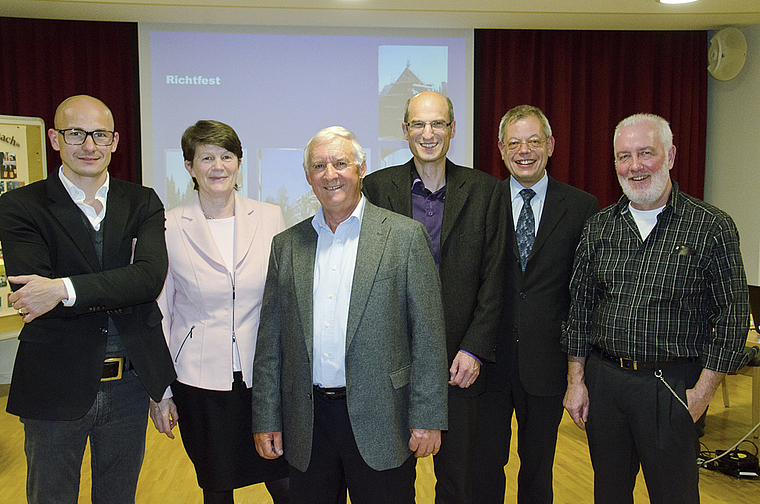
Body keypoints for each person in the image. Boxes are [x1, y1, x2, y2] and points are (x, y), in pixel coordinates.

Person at [251, 126, 448, 504]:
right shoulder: (287, 246)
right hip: (307, 425)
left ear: (361, 168)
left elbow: (428, 336)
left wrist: (427, 417)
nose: (330, 174)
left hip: (383, 422)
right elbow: (270, 343)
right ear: (308, 176)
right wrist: (266, 418)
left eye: (341, 163)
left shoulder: (404, 238)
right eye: (319, 165)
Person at [563, 113, 751, 503]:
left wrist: (702, 392)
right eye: (623, 156)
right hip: (606, 383)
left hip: (672, 387)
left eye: (645, 153)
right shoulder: (599, 227)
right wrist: (576, 381)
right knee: (609, 494)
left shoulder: (710, 227)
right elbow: (579, 308)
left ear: (670, 156)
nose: (634, 166)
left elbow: (732, 317)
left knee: (674, 495)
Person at [0, 95, 176, 503]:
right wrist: (123, 280)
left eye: (99, 135)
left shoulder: (142, 201)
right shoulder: (19, 206)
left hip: (130, 386)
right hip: (52, 386)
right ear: (54, 138)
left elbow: (149, 280)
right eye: (75, 133)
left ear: (115, 141)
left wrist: (62, 288)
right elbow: (30, 290)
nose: (89, 146)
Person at [362, 91, 504, 504]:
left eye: (438, 124)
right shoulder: (375, 189)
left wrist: (475, 349)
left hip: (460, 367)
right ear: (405, 130)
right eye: (419, 124)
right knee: (392, 484)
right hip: (394, 367)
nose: (429, 133)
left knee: (459, 485)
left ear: (452, 130)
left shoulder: (485, 191)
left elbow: (495, 277)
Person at [148, 120, 289, 504]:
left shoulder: (270, 217)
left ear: (239, 162)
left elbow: (284, 302)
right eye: (206, 157)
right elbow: (160, 312)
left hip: (263, 378)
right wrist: (159, 391)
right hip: (198, 379)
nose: (218, 166)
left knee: (286, 481)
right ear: (190, 167)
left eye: (226, 156)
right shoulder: (168, 226)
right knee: (216, 484)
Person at [472, 105, 598, 503]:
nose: (524, 151)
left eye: (533, 141)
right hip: (489, 363)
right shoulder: (481, 200)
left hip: (547, 363)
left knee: (539, 470)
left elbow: (583, 293)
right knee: (485, 467)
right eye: (514, 143)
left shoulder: (581, 206)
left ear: (551, 146)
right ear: (501, 149)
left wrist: (578, 369)